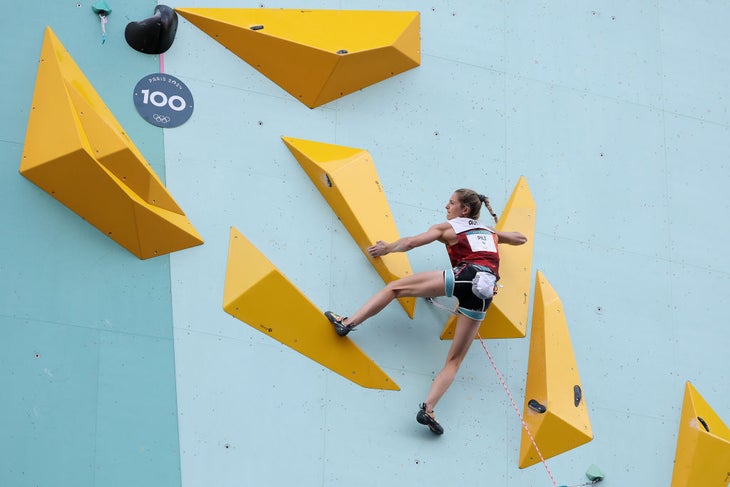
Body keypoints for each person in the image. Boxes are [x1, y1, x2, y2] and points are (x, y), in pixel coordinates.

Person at [325, 188, 527, 435]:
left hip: (467, 275)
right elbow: (520, 238)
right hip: (485, 293)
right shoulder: (489, 232)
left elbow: (411, 242)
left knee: (395, 288)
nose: (446, 206)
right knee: (454, 360)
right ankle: (428, 408)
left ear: (464, 209)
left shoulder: (448, 229)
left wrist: (386, 249)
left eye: (451, 203)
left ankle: (348, 322)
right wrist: (495, 231)